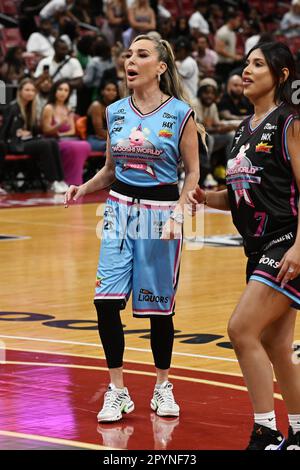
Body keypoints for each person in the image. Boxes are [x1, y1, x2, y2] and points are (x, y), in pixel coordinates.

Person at [65, 34, 201, 422]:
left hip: (160, 215)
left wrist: (180, 212)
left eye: (142, 55)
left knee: (159, 310)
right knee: (105, 302)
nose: (131, 60)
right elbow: (109, 170)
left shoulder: (180, 113)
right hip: (117, 211)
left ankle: (162, 386)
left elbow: (192, 173)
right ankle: (118, 390)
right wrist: (83, 187)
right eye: (128, 54)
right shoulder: (114, 112)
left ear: (160, 67)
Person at [188, 42, 300, 450]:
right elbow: (239, 194)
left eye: (257, 64)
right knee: (275, 345)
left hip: (288, 242)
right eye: (245, 64)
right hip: (257, 247)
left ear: (282, 75)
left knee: (240, 328)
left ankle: (266, 430)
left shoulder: (290, 123)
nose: (245, 71)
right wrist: (204, 197)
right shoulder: (240, 129)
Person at [0, 78, 67, 193]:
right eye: (27, 90)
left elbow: (33, 130)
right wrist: (18, 132)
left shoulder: (31, 108)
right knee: (44, 145)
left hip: (26, 141)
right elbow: (6, 131)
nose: (30, 93)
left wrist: (29, 132)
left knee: (52, 142)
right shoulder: (12, 107)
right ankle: (52, 181)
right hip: (14, 144)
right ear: (20, 91)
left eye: (32, 90)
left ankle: (60, 179)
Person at [41, 79, 91, 185]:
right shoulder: (49, 108)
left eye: (66, 90)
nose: (63, 93)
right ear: (54, 91)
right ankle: (66, 180)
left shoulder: (67, 108)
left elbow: (72, 130)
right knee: (73, 147)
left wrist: (61, 134)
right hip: (52, 142)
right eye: (60, 89)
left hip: (65, 139)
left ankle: (75, 180)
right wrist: (59, 125)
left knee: (85, 145)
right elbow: (46, 130)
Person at [87, 80, 119, 152]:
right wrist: (117, 139)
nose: (111, 92)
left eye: (114, 90)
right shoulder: (96, 105)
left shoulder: (115, 107)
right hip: (94, 139)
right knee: (116, 146)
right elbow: (99, 132)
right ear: (102, 91)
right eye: (108, 90)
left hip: (109, 138)